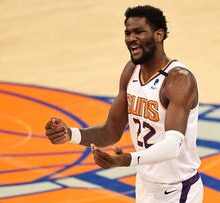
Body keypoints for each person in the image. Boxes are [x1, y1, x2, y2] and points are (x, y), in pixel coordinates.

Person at [45, 5, 203, 203]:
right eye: (127, 33)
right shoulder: (131, 72)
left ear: (158, 35)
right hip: (145, 184)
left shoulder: (178, 80)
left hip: (178, 189)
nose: (130, 38)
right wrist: (70, 134)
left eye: (139, 32)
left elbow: (173, 146)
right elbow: (111, 130)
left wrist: (126, 160)